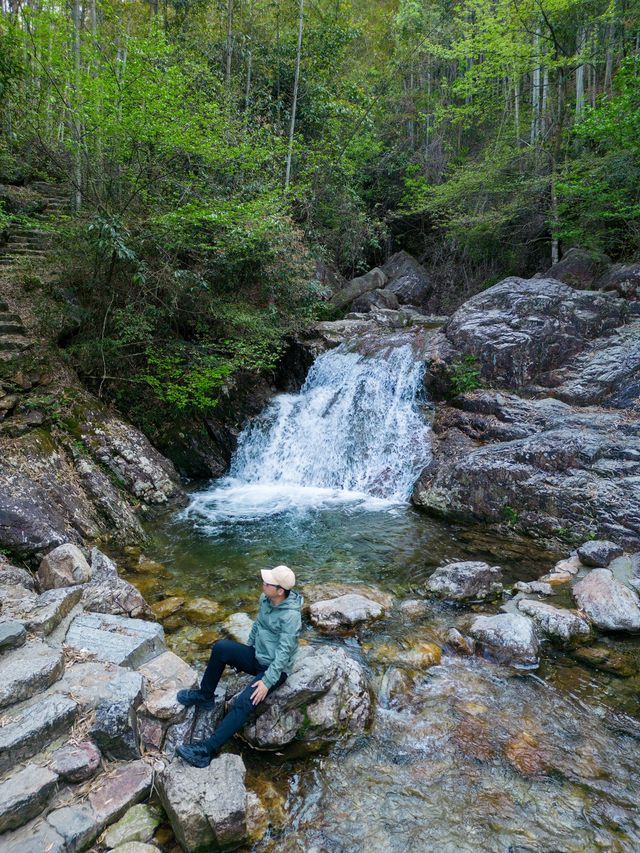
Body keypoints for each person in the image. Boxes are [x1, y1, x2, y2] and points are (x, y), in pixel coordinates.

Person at [175, 564, 303, 767]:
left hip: (275, 669)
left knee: (245, 701)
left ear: (280, 591)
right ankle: (205, 695)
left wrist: (267, 682)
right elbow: (258, 625)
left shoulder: (291, 617)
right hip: (257, 655)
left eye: (268, 583)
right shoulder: (266, 599)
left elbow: (284, 653)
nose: (263, 583)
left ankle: (206, 750)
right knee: (221, 648)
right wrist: (246, 652)